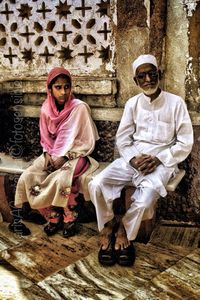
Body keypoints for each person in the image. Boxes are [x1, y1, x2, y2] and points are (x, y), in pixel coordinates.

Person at [88, 54, 194, 266]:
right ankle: (108, 224)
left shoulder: (176, 103)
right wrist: (132, 159)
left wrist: (159, 158)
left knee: (145, 200)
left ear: (159, 75)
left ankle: (124, 231)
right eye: (142, 76)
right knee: (97, 184)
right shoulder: (132, 104)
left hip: (162, 163)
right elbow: (123, 139)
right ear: (136, 81)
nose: (148, 79)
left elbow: (185, 142)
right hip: (133, 159)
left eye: (151, 74)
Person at [9, 67, 99, 237]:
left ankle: (69, 216)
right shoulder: (45, 109)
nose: (63, 92)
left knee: (61, 178)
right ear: (49, 89)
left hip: (77, 156)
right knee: (29, 176)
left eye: (67, 87)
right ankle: (52, 214)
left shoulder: (79, 108)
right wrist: (48, 155)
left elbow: (87, 142)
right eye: (58, 87)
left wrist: (65, 157)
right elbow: (45, 139)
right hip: (52, 154)